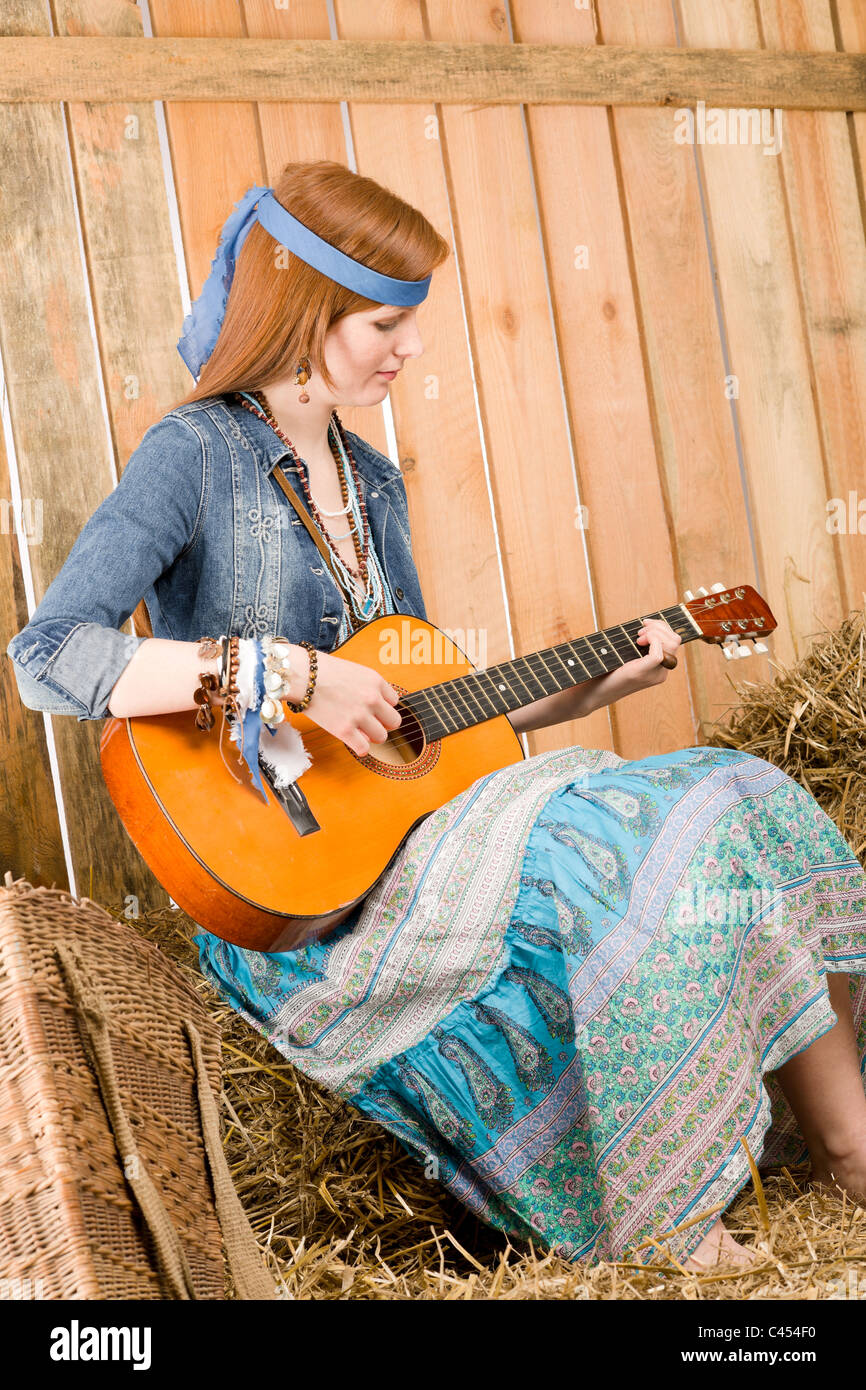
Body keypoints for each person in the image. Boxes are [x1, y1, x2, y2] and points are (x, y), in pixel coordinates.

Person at [7, 161, 866, 1275]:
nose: (407, 349)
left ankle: (846, 1155)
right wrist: (286, 675)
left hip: (425, 834)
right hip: (303, 890)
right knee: (601, 842)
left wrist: (610, 678)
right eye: (384, 323)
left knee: (737, 787)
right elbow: (48, 655)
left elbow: (424, 715)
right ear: (302, 309)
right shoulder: (195, 455)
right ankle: (672, 1221)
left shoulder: (372, 479)